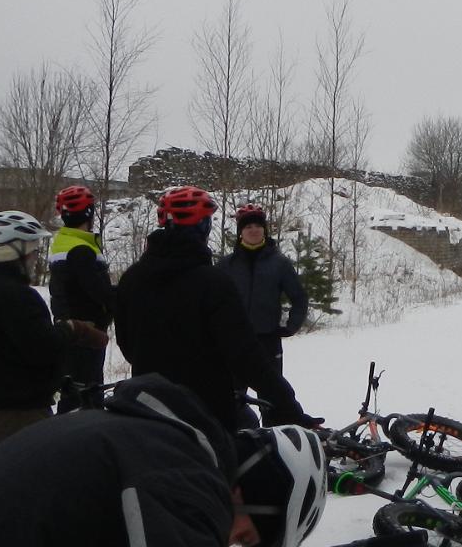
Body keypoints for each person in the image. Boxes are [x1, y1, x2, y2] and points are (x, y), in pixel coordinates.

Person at [0, 374, 329, 547]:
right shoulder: (182, 479)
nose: (227, 540)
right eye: (244, 537)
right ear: (248, 489)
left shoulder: (134, 436)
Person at [114, 186, 317, 431]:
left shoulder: (131, 279)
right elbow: (247, 358)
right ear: (204, 227)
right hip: (206, 413)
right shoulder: (215, 280)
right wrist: (290, 409)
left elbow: (126, 344)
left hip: (149, 408)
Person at [0, 210, 109, 450]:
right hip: (20, 415)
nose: (36, 257)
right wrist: (70, 330)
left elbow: (6, 348)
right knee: (38, 483)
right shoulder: (19, 297)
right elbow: (41, 349)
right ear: (18, 251)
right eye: (34, 251)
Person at [218, 203, 308, 424]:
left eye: (258, 225)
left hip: (267, 342)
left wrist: (291, 326)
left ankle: (274, 445)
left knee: (272, 399)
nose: (254, 229)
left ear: (264, 230)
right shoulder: (226, 265)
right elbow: (213, 300)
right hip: (234, 342)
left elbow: (299, 298)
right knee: (230, 400)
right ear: (241, 231)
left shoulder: (279, 263)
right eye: (248, 225)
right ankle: (235, 446)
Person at [48, 185, 114, 413]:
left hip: (67, 328)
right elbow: (100, 292)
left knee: (72, 394)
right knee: (87, 398)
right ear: (90, 213)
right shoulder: (82, 250)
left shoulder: (62, 242)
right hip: (87, 332)